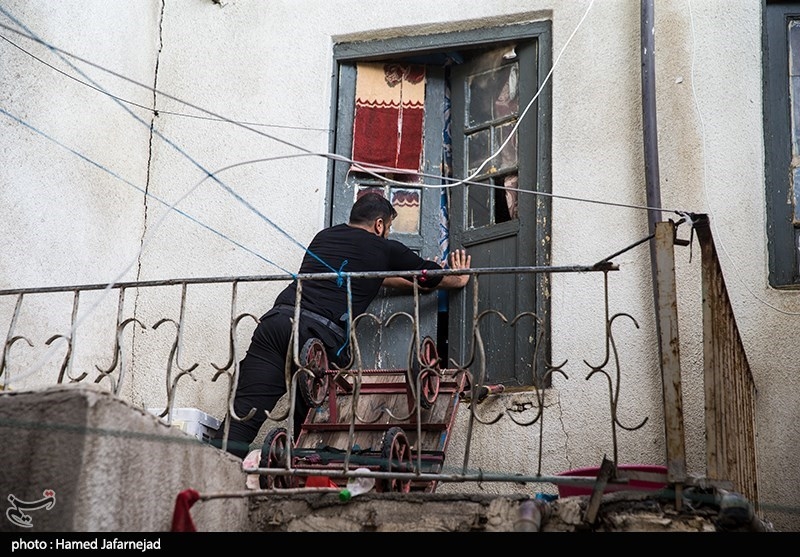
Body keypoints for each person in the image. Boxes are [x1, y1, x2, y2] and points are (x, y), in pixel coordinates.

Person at [213, 191, 471, 458]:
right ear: (380, 225)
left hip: (276, 323)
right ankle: (308, 478)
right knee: (313, 426)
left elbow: (371, 277)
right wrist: (458, 279)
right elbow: (428, 277)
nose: (388, 234)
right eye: (389, 228)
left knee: (244, 415)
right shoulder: (384, 248)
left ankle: (210, 478)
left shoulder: (324, 237)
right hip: (315, 338)